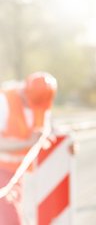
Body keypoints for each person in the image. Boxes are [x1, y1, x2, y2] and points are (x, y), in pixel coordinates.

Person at [0, 71, 57, 225]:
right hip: (1, 170)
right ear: (24, 91)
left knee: (11, 213)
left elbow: (44, 131)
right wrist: (26, 144)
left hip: (16, 172)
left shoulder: (41, 104)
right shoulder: (4, 101)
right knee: (11, 216)